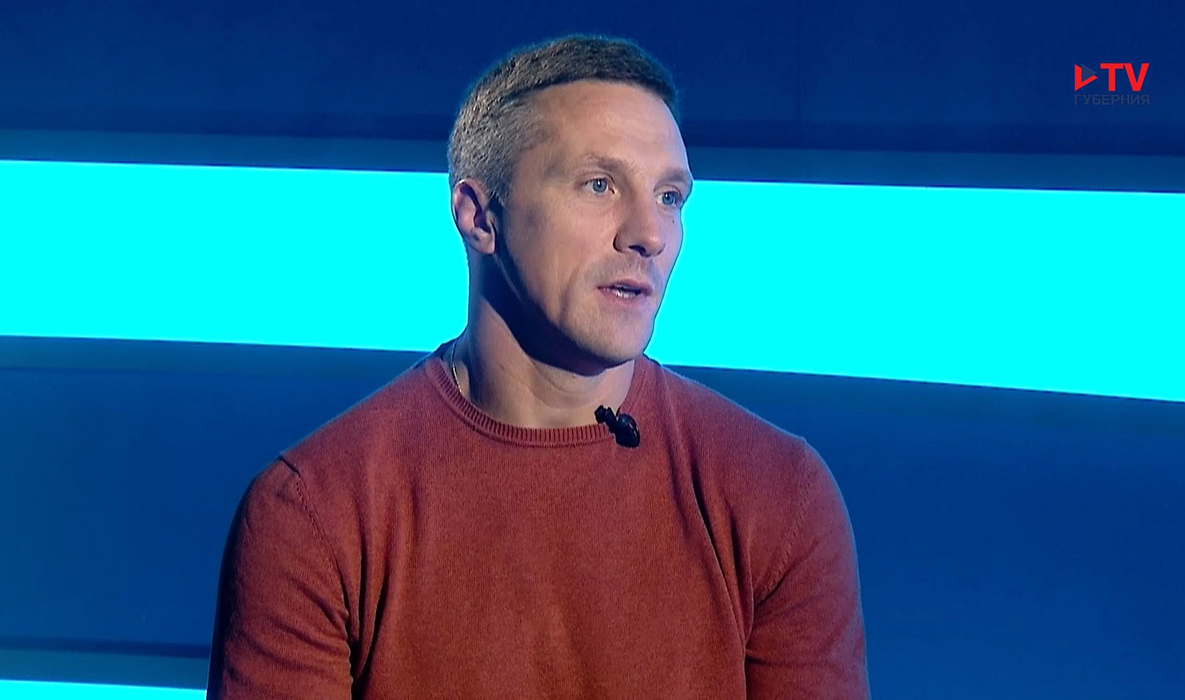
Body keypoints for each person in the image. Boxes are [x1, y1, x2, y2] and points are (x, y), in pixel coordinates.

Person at [206, 34, 870, 699]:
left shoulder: (778, 496)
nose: (649, 234)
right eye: (600, 185)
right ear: (479, 216)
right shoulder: (315, 512)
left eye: (670, 197)